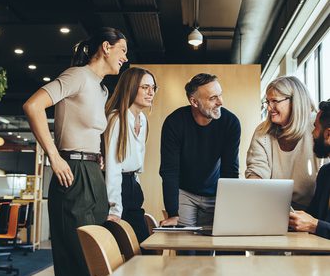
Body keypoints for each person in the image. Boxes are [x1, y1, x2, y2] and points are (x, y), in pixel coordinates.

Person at [23, 27, 128, 276]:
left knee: (97, 265)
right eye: (122, 51)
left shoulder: (102, 89)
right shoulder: (77, 75)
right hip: (72, 174)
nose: (125, 58)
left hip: (93, 174)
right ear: (106, 47)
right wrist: (54, 157)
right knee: (78, 267)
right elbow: (33, 106)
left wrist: (97, 155)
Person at [159, 73, 241, 227]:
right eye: (213, 98)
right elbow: (169, 170)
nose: (220, 102)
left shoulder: (231, 123)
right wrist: (173, 213)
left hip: (217, 192)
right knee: (186, 246)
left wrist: (230, 208)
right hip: (185, 192)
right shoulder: (174, 123)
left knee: (216, 243)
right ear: (194, 102)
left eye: (220, 95)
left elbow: (230, 170)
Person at [246, 76, 326, 210]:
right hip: (273, 208)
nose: (270, 108)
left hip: (313, 210)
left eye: (275, 101)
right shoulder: (262, 132)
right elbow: (256, 172)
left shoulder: (316, 127)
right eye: (268, 102)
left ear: (295, 101)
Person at [104, 67, 157, 245]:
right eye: (145, 87)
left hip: (133, 185)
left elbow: (137, 162)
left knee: (142, 246)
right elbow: (113, 167)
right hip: (118, 189)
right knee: (137, 249)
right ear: (131, 88)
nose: (151, 92)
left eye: (153, 87)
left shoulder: (142, 119)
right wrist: (115, 209)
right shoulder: (117, 119)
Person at [289, 99, 330, 238]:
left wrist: (314, 225)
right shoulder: (325, 174)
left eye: (316, 127)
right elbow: (312, 216)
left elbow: (314, 222)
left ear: (328, 134)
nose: (312, 133)